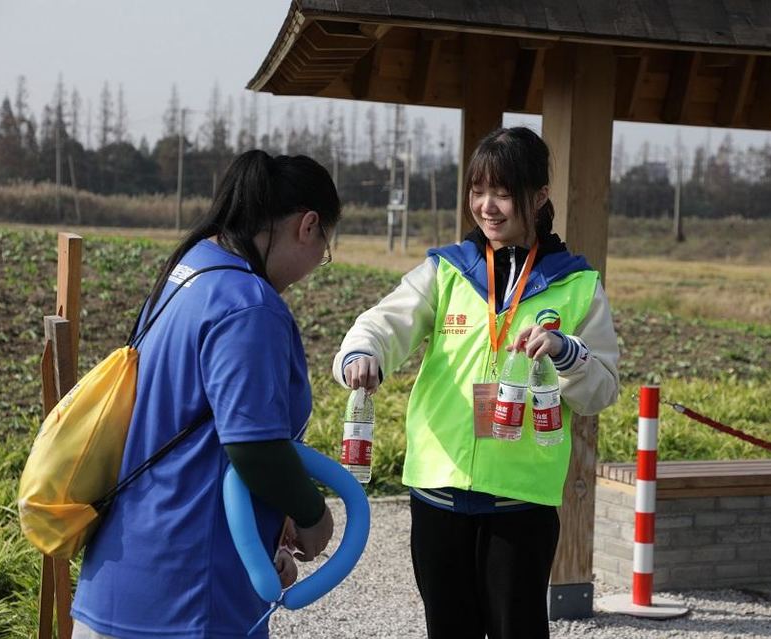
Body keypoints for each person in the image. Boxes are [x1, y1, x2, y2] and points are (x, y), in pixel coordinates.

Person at [333, 127, 619, 638]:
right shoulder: (447, 270)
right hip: (438, 490)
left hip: (520, 501)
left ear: (539, 197)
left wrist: (566, 352)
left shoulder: (577, 284)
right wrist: (362, 353)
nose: (487, 207)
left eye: (503, 194)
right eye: (477, 191)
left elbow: (601, 389)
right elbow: (384, 323)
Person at [72, 150, 340, 639]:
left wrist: (268, 526)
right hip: (188, 596)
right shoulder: (249, 305)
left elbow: (203, 439)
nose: (313, 267)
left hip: (119, 574)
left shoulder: (189, 270)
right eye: (323, 251)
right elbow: (254, 448)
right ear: (308, 225)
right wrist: (312, 516)